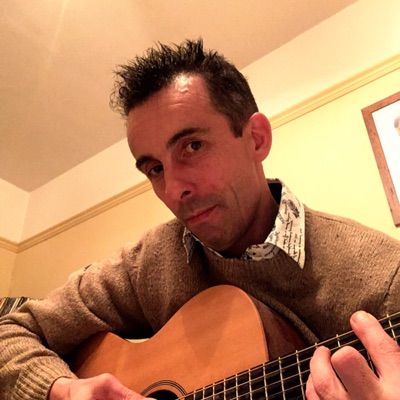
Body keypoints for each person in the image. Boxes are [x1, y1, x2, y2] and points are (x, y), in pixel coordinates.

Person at [1, 39, 399, 400]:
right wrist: (64, 390)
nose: (174, 190)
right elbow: (10, 332)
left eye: (192, 146)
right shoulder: (149, 262)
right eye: (155, 168)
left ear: (256, 138)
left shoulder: (383, 276)